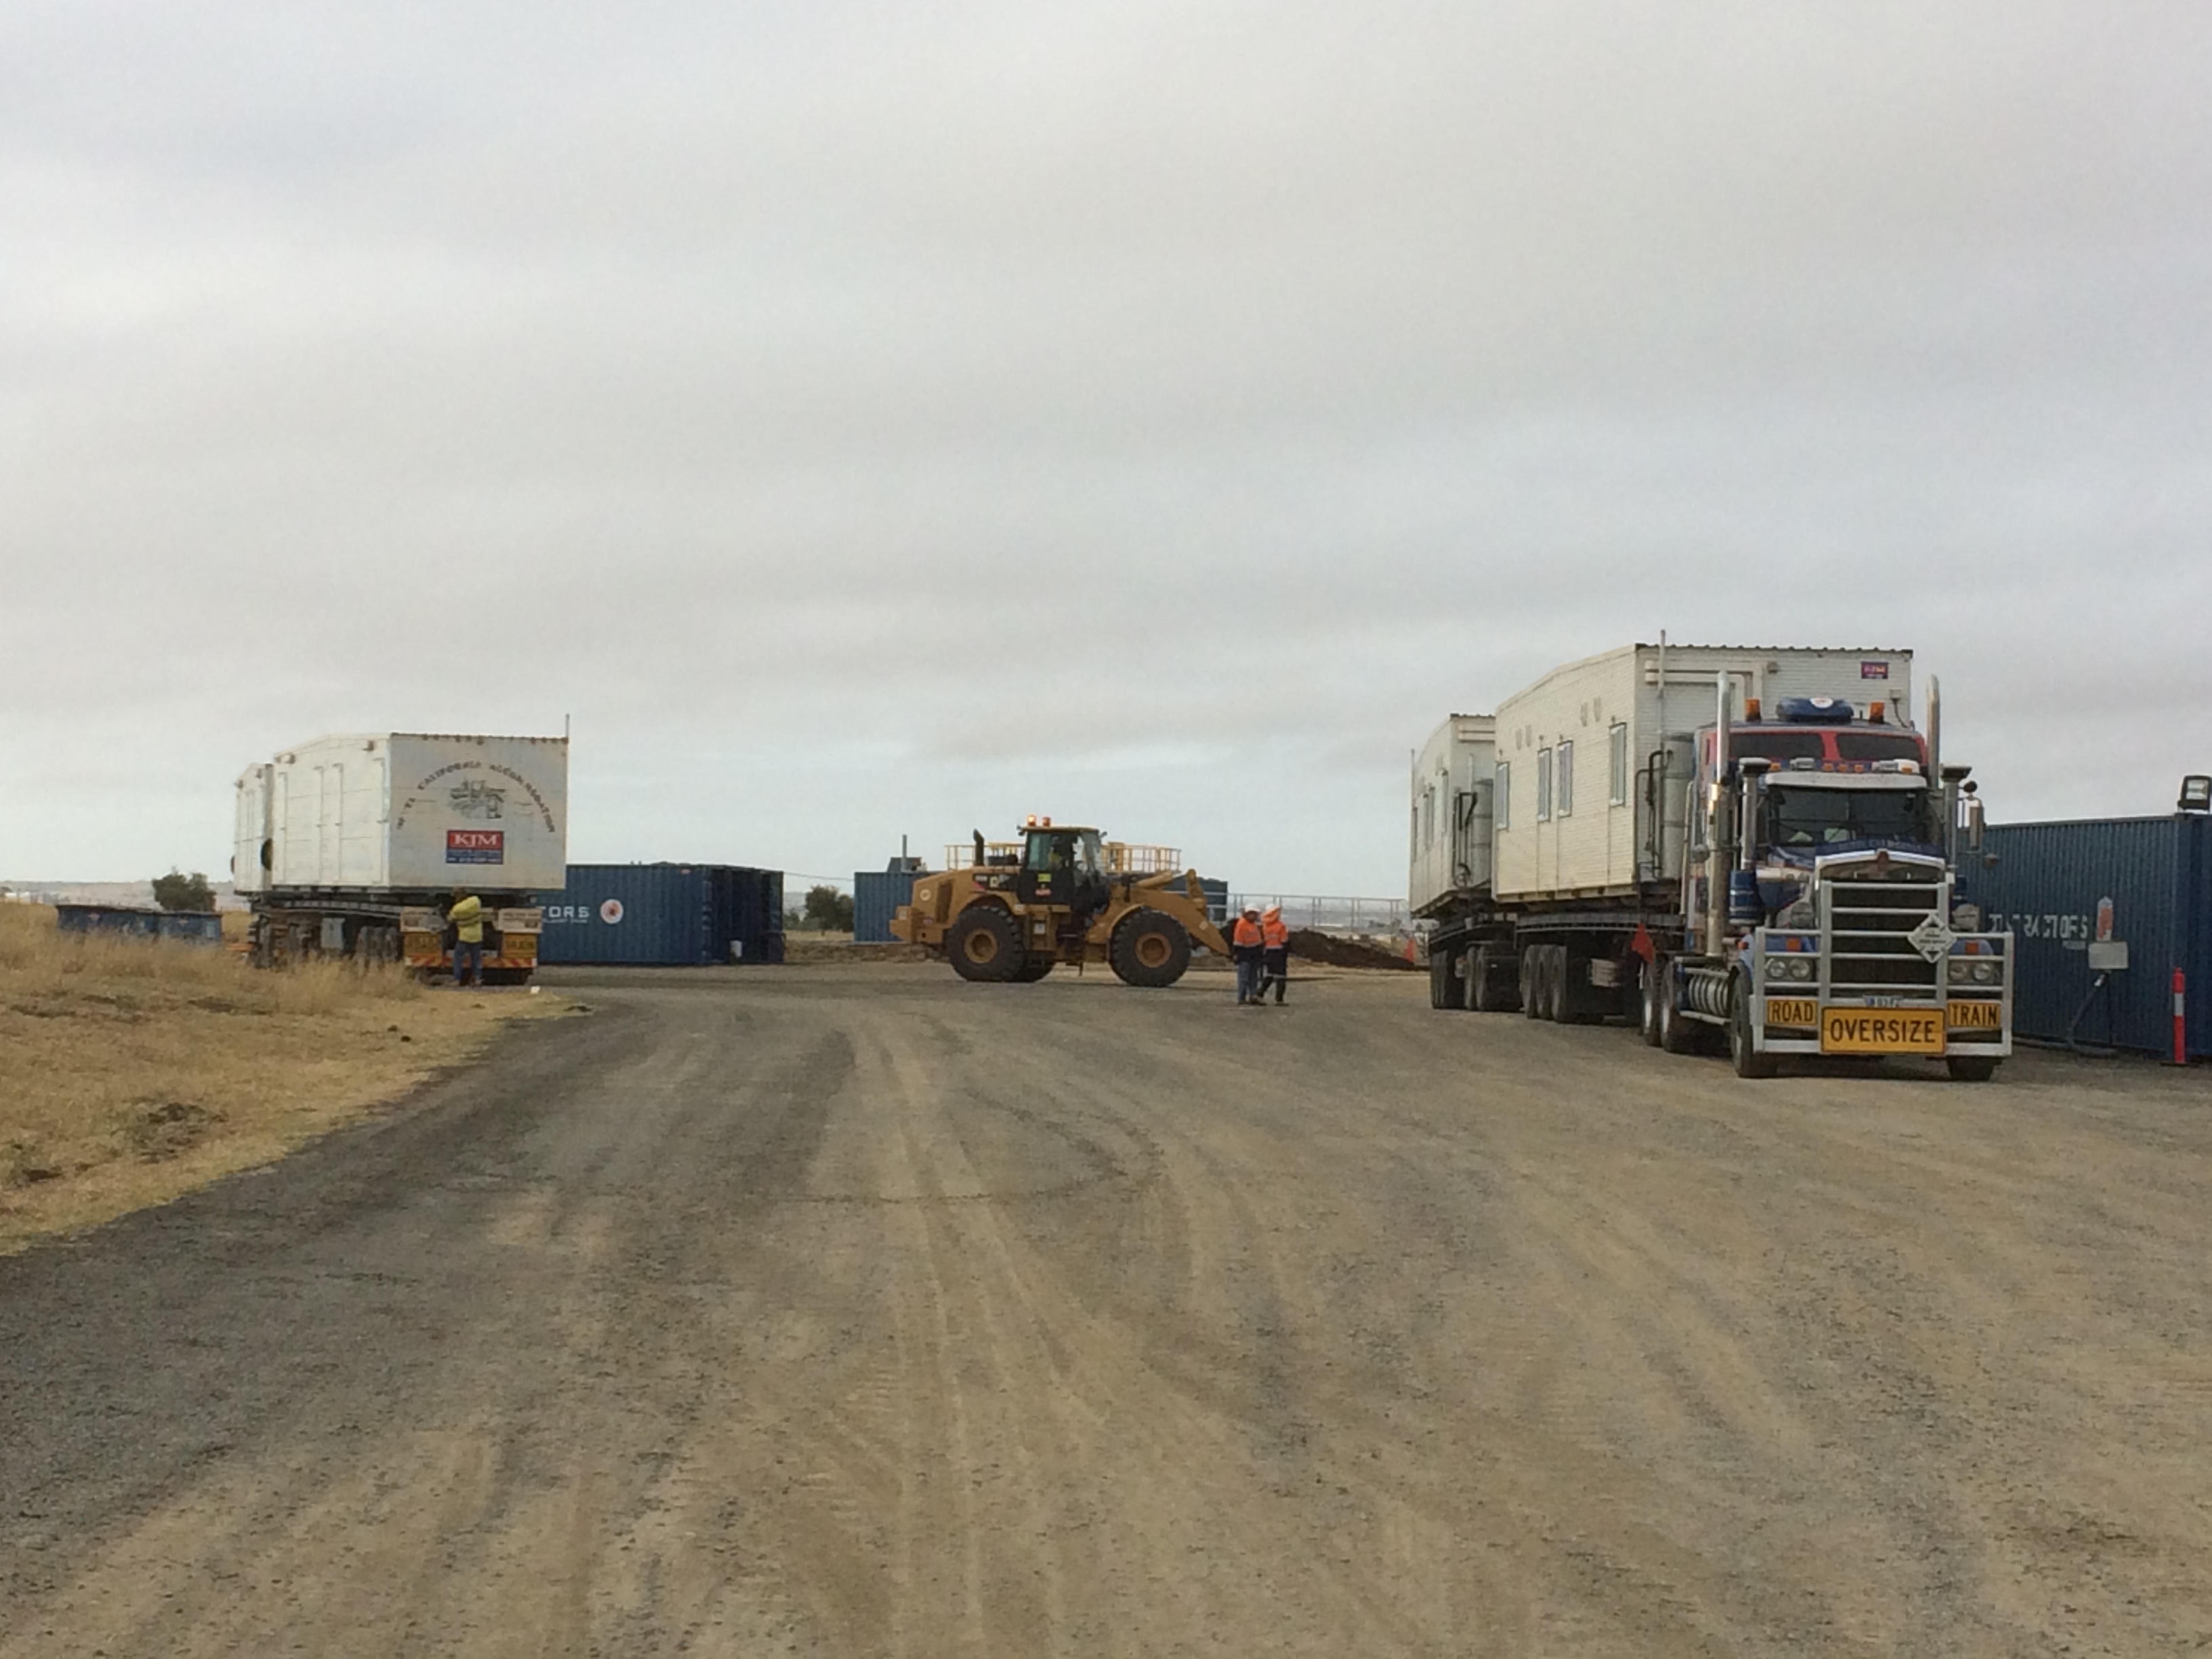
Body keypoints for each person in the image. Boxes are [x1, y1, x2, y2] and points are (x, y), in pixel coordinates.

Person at [447, 889, 485, 987]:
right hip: (477, 936)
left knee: (458, 957)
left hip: (465, 937)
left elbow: (450, 919)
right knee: (476, 959)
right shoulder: (475, 901)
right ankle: (477, 979)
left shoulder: (457, 909)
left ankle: (457, 979)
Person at [1231, 905, 1266, 1006]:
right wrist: (1237, 954)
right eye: (1252, 913)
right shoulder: (1242, 924)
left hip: (1253, 954)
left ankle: (1253, 996)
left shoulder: (1253, 925)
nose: (1254, 916)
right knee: (1244, 977)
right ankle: (1242, 998)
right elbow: (1238, 941)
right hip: (1245, 954)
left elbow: (1257, 939)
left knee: (1253, 977)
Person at [1258, 905, 1291, 1004]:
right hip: (1279, 953)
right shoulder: (1280, 926)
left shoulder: (1264, 926)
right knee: (1281, 977)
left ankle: (1259, 993)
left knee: (1270, 975)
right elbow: (1284, 941)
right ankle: (1279, 999)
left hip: (1268, 952)